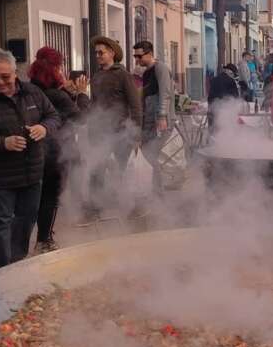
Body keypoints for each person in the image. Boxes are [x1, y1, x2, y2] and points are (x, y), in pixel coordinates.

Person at [0, 50, 60, 269]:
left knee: (26, 222)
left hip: (32, 173)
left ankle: (16, 264)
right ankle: (1, 271)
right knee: (0, 226)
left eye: (5, 77)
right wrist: (2, 143)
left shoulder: (33, 93)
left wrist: (43, 128)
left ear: (16, 73)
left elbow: (53, 116)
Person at [28, 47, 88, 253]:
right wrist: (81, 95)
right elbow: (81, 118)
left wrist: (67, 93)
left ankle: (34, 238)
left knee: (35, 196)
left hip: (33, 150)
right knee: (50, 197)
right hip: (56, 152)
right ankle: (44, 239)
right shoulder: (56, 95)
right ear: (55, 69)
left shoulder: (30, 90)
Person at [87, 36, 142, 212]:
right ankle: (96, 207)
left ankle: (128, 207)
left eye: (101, 52)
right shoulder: (96, 76)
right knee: (97, 170)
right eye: (96, 53)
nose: (98, 56)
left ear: (112, 53)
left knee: (122, 171)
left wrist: (135, 134)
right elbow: (94, 105)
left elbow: (135, 105)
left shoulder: (123, 75)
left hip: (121, 132)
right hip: (100, 132)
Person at [133, 40, 175, 190]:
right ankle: (152, 191)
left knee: (150, 154)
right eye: (135, 56)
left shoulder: (161, 68)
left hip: (160, 121)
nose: (137, 60)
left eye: (139, 56)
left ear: (150, 54)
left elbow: (166, 93)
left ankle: (157, 193)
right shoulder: (146, 72)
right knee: (146, 154)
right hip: (149, 121)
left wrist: (163, 116)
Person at [208, 64, 242, 131]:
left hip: (213, 110)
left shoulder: (214, 79)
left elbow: (210, 97)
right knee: (225, 132)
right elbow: (235, 97)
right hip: (226, 112)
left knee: (213, 132)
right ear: (230, 72)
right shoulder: (231, 81)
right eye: (233, 74)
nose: (233, 76)